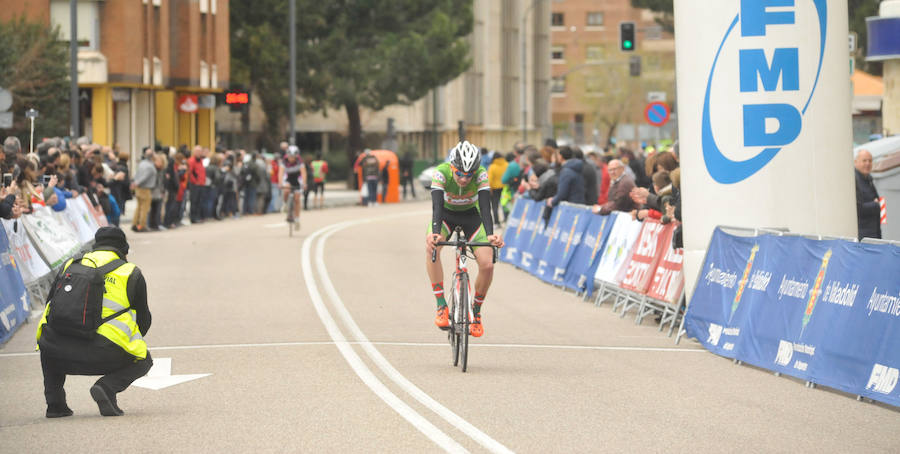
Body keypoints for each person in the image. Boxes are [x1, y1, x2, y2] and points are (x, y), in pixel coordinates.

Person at [36, 226, 153, 418]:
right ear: (124, 249)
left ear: (95, 246)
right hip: (106, 353)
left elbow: (51, 305)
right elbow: (144, 320)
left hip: (59, 353)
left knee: (48, 340)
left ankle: (55, 404)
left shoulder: (70, 266)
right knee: (144, 359)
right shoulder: (130, 272)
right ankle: (106, 387)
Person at [425, 140, 505, 338]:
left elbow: (486, 208)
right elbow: (436, 207)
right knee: (432, 248)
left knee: (487, 265)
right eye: (459, 174)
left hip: (472, 216)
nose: (463, 179)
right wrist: (435, 232)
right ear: (452, 167)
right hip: (445, 216)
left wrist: (490, 235)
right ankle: (441, 306)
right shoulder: (441, 172)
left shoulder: (481, 174)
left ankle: (476, 313)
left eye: (469, 175)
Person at [854, 149, 881, 240]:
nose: (868, 164)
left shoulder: (869, 179)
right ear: (856, 162)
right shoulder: (854, 180)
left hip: (874, 233)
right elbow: (857, 208)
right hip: (863, 236)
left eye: (870, 161)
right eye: (864, 160)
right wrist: (875, 205)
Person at [131, 147, 156, 233]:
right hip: (145, 188)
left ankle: (134, 224)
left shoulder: (142, 164)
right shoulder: (149, 166)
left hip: (139, 189)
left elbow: (136, 174)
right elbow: (145, 177)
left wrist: (135, 183)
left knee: (138, 207)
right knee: (145, 208)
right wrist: (137, 183)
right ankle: (142, 225)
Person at [279, 145, 306, 225]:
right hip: (288, 178)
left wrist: (304, 183)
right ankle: (285, 204)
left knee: (297, 199)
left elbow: (303, 173)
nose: (291, 159)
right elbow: (280, 173)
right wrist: (280, 183)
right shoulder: (284, 161)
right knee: (286, 189)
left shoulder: (300, 162)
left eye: (293, 157)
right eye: (290, 157)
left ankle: (297, 218)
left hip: (297, 179)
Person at [487, 153, 508, 227]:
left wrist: (490, 189)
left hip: (495, 188)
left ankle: (497, 222)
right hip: (505, 187)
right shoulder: (506, 164)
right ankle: (506, 219)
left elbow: (490, 179)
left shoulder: (492, 166)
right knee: (504, 203)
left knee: (495, 206)